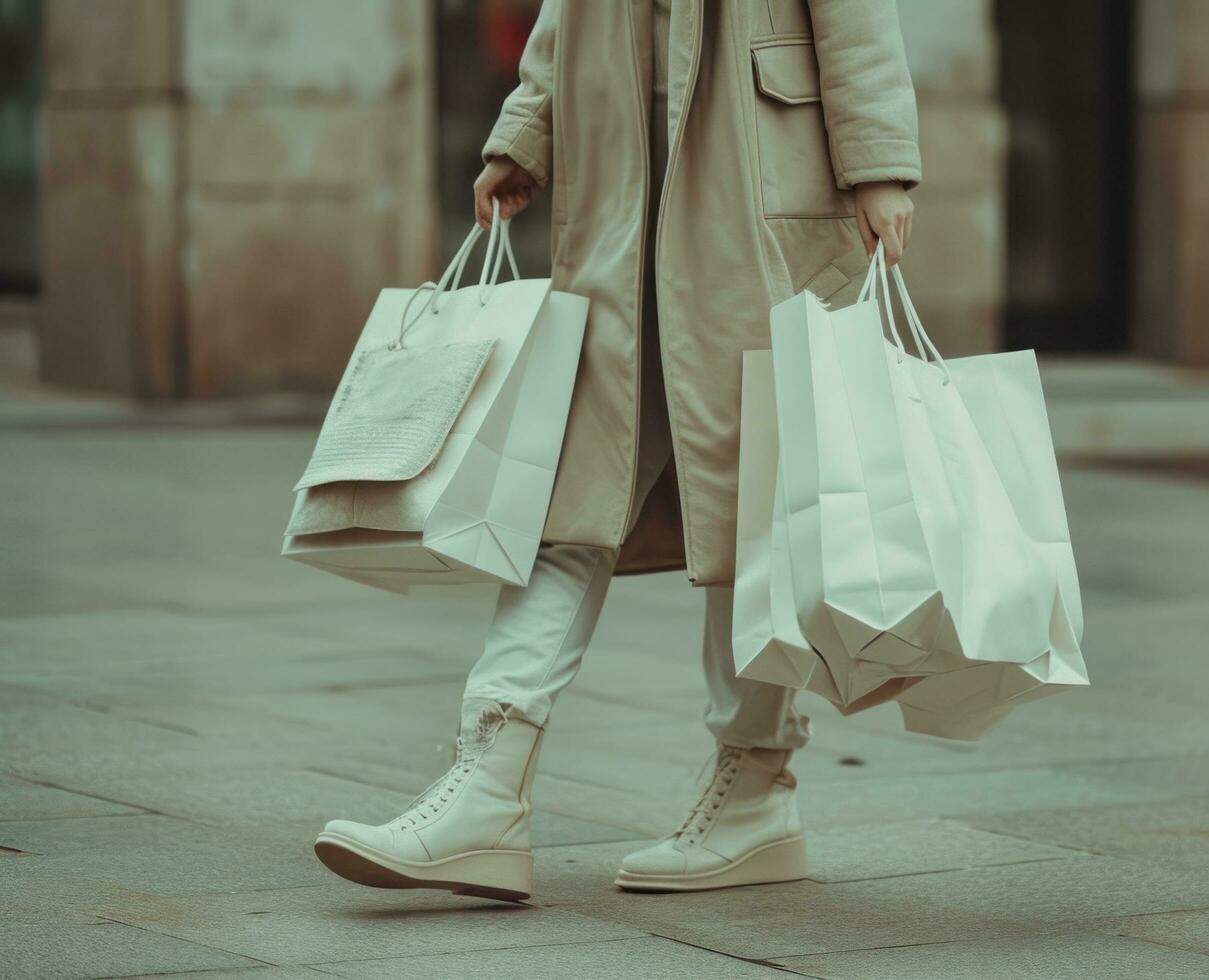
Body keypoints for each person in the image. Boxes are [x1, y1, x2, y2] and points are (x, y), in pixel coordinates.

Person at [313, 0, 920, 901]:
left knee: (753, 502)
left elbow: (857, 16)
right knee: (566, 502)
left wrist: (879, 164)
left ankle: (754, 783)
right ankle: (488, 786)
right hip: (619, 203)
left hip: (759, 196)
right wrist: (527, 128)